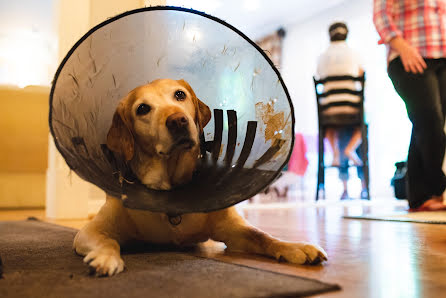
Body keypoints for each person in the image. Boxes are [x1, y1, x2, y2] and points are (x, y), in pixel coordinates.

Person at [374, 0, 446, 211]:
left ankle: (420, 196)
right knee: (429, 119)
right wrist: (403, 47)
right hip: (409, 54)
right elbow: (381, 15)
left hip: (442, 56)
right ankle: (437, 187)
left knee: (428, 124)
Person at [316, 21, 368, 200]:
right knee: (360, 128)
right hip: (351, 109)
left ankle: (337, 155)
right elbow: (361, 75)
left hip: (329, 112)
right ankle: (351, 152)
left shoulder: (322, 57)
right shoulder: (354, 53)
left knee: (332, 128)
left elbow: (319, 77)